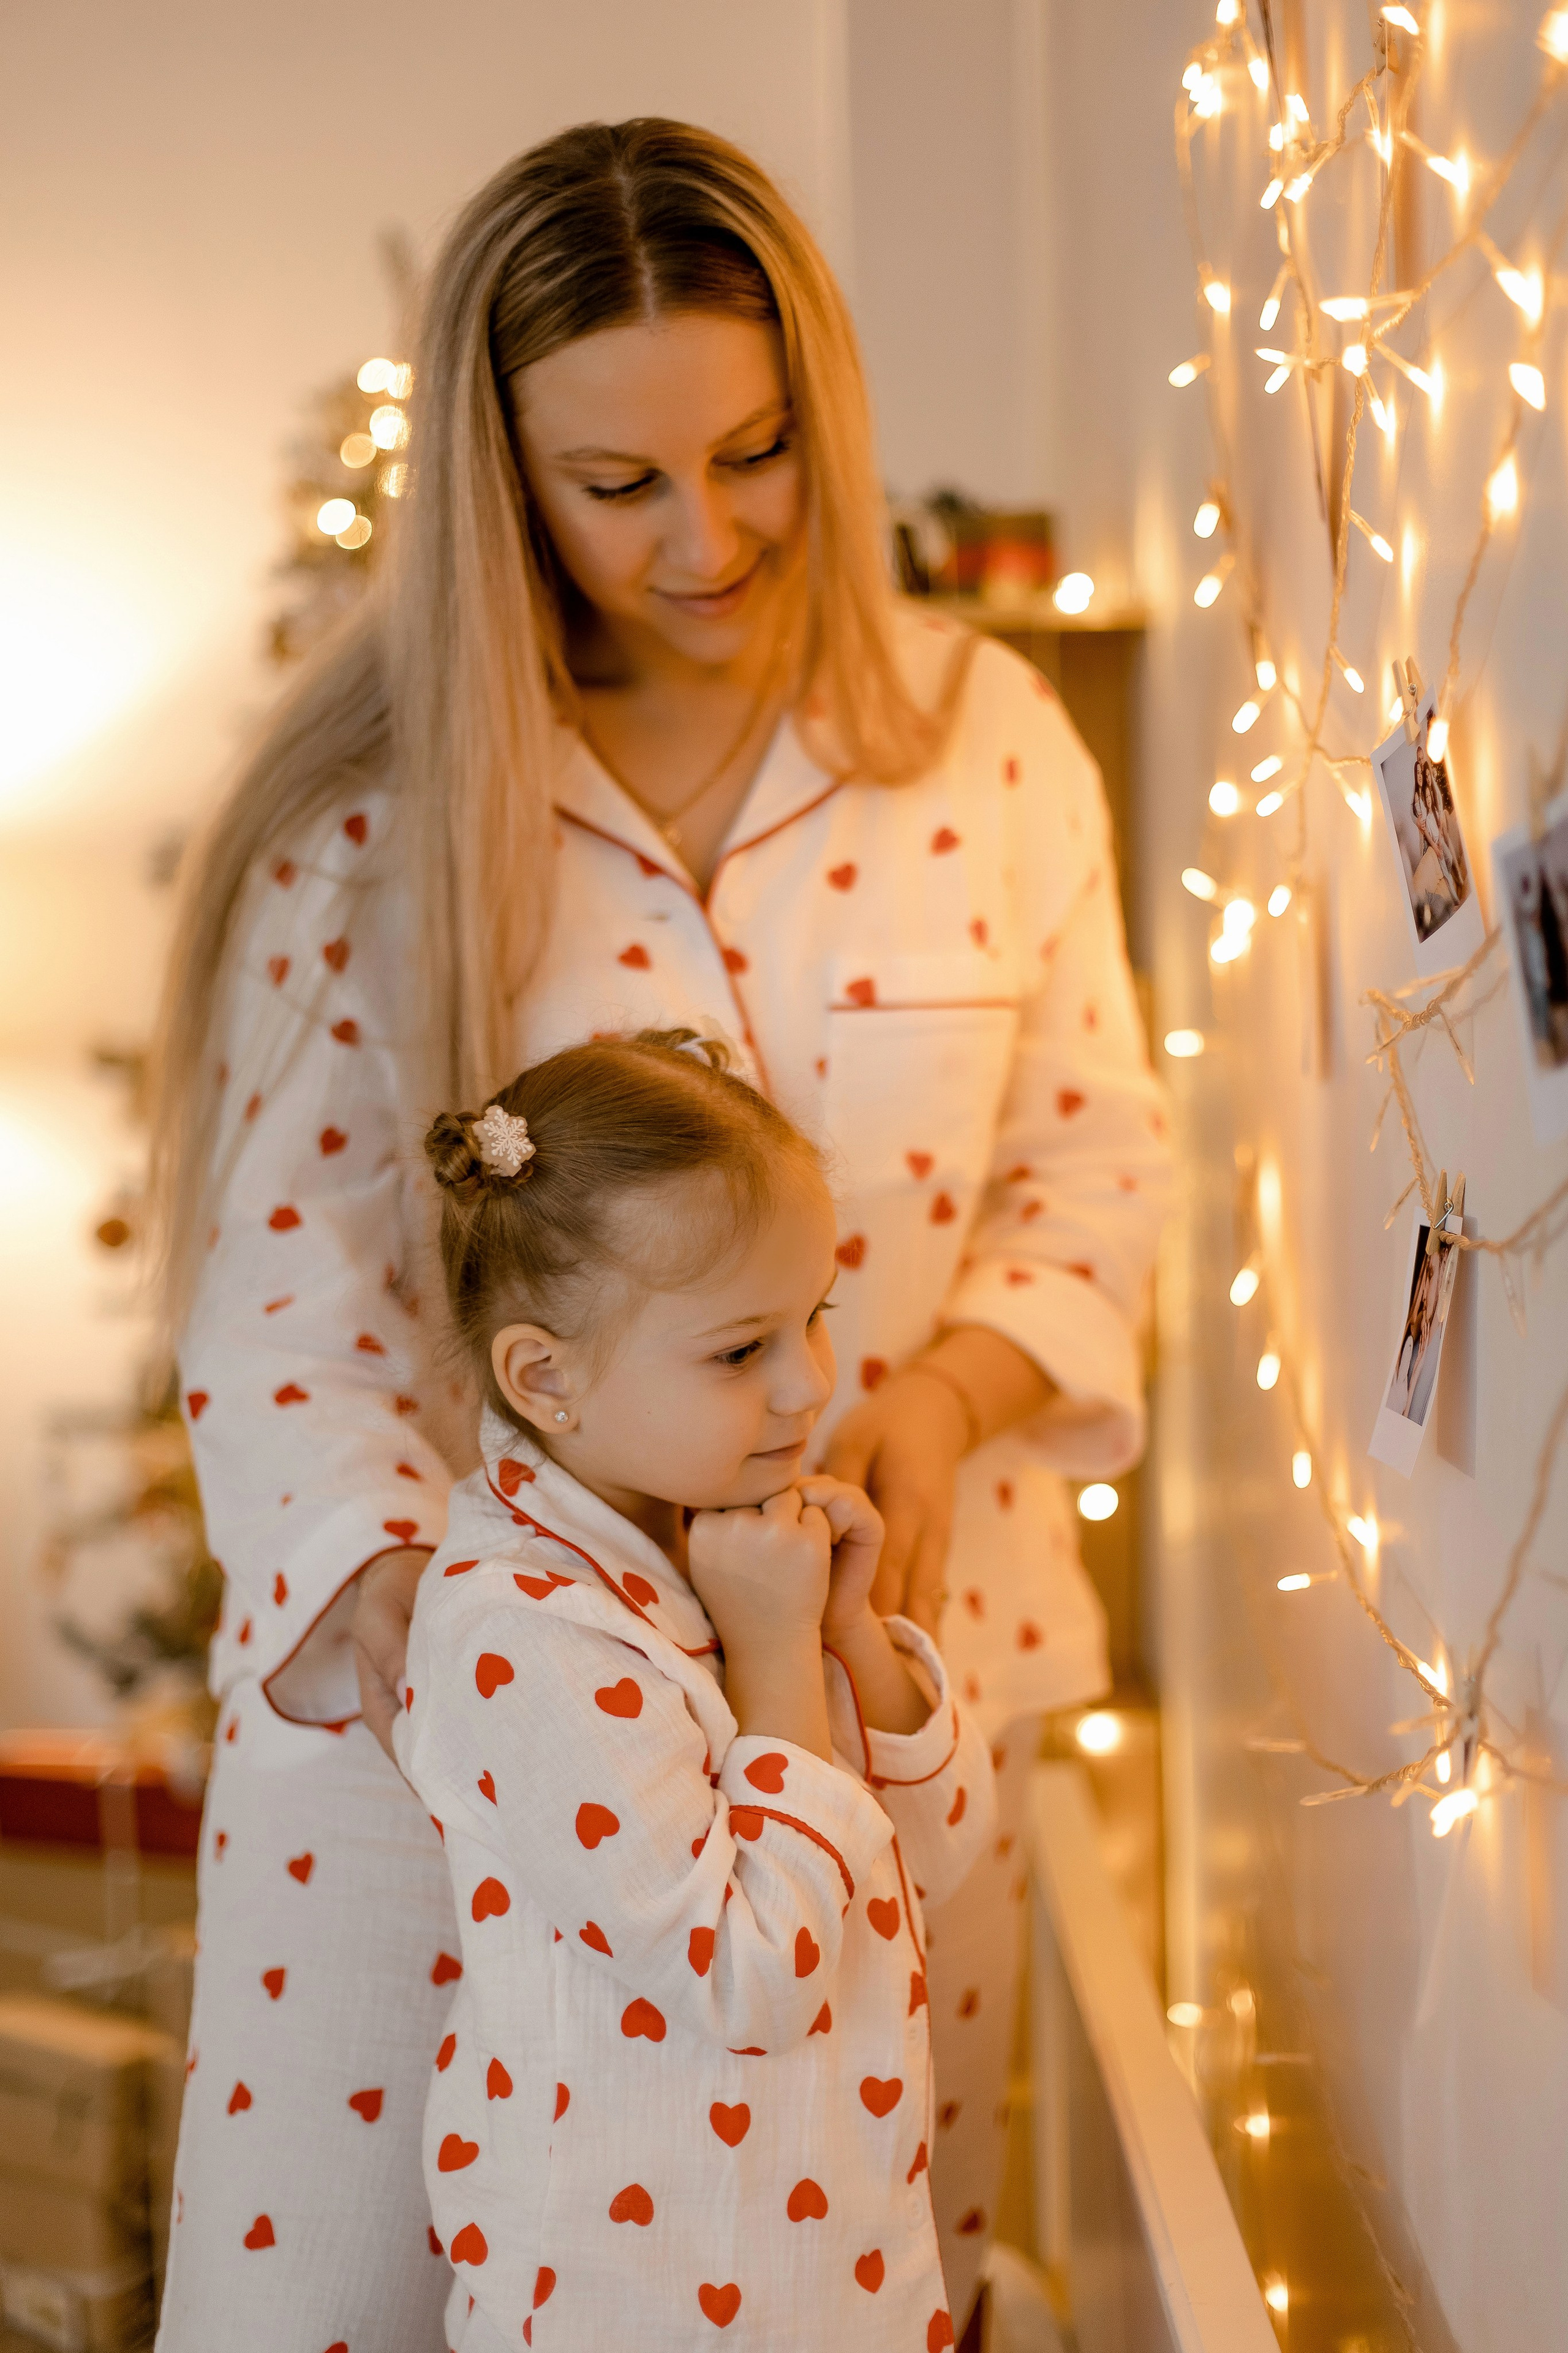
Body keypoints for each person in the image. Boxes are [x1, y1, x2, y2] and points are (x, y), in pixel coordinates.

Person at [151, 118, 1169, 2352]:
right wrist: (500, 1664)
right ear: (502, 477)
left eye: (757, 450)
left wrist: (937, 1400)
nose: (705, 537)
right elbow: (280, 1296)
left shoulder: (991, 757)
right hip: (432, 1766)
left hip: (889, 1717)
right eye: (618, 485)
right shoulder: (371, 820)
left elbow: (1095, 1162)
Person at [398, 1028, 994, 2349]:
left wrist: (853, 1635)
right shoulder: (520, 1634)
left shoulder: (721, 1534)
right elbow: (753, 1975)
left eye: (813, 1320)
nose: (809, 1386)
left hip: (831, 2284)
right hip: (642, 2306)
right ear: (543, 1378)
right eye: (738, 1351)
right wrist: (777, 1654)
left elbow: (930, 1858)